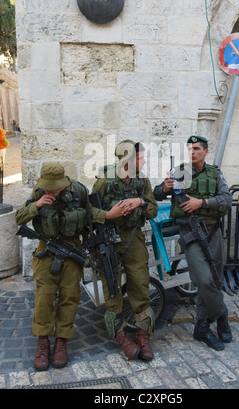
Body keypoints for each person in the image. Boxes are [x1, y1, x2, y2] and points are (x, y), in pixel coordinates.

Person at [15, 162, 123, 371]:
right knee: (44, 296)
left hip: (72, 248)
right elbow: (19, 217)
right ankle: (43, 341)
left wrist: (108, 216)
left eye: (52, 187)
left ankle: (62, 341)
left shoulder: (78, 191)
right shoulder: (38, 193)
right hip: (46, 247)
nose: (49, 190)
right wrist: (36, 205)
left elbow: (90, 214)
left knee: (70, 295)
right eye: (47, 186)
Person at [153, 135, 232, 351]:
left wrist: (202, 203)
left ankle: (202, 326)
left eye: (197, 148)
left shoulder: (215, 173)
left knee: (214, 280)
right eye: (190, 148)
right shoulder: (181, 172)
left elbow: (227, 200)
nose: (192, 152)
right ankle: (222, 314)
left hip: (213, 232)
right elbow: (156, 193)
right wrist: (166, 188)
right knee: (204, 280)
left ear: (206, 151)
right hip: (190, 234)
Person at [92, 140, 158, 360]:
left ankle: (143, 335)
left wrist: (139, 201)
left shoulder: (142, 181)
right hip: (109, 240)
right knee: (112, 288)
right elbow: (88, 211)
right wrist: (108, 215)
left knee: (140, 283)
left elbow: (153, 210)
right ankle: (121, 335)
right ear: (127, 160)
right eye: (140, 157)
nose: (144, 161)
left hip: (133, 238)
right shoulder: (105, 181)